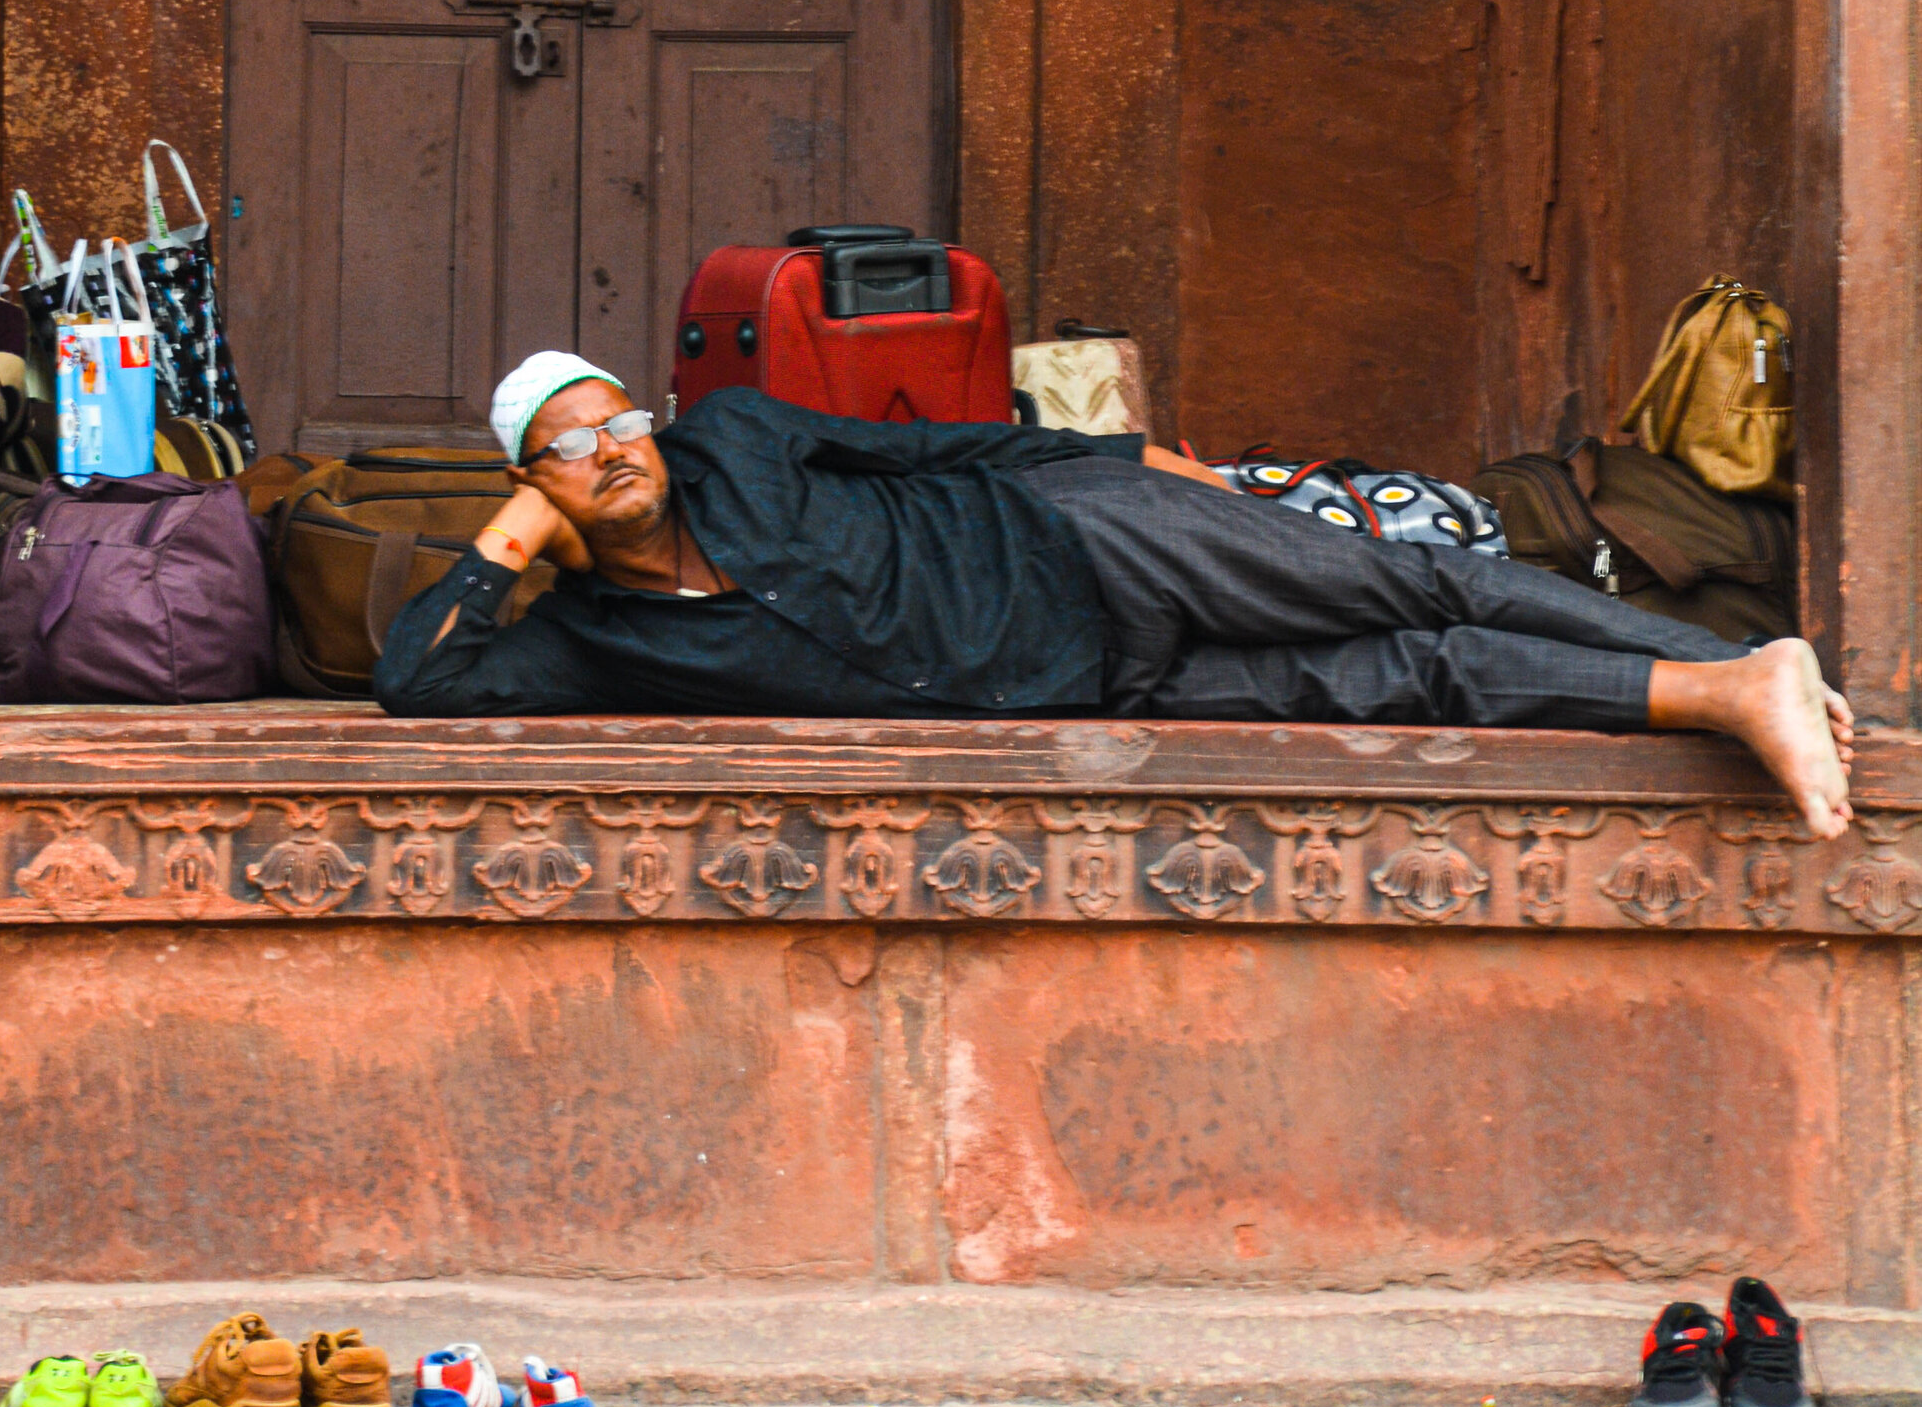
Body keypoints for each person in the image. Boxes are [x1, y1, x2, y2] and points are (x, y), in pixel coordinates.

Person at [372, 351, 1855, 841]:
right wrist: (505, 545)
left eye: (621, 417)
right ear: (533, 484)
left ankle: (1735, 658)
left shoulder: (737, 435)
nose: (617, 449)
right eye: (568, 445)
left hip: (1085, 538)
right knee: (1412, 669)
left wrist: (1130, 458)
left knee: (1402, 570)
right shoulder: (595, 635)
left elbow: (940, 441)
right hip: (1081, 683)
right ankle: (1728, 689)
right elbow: (419, 681)